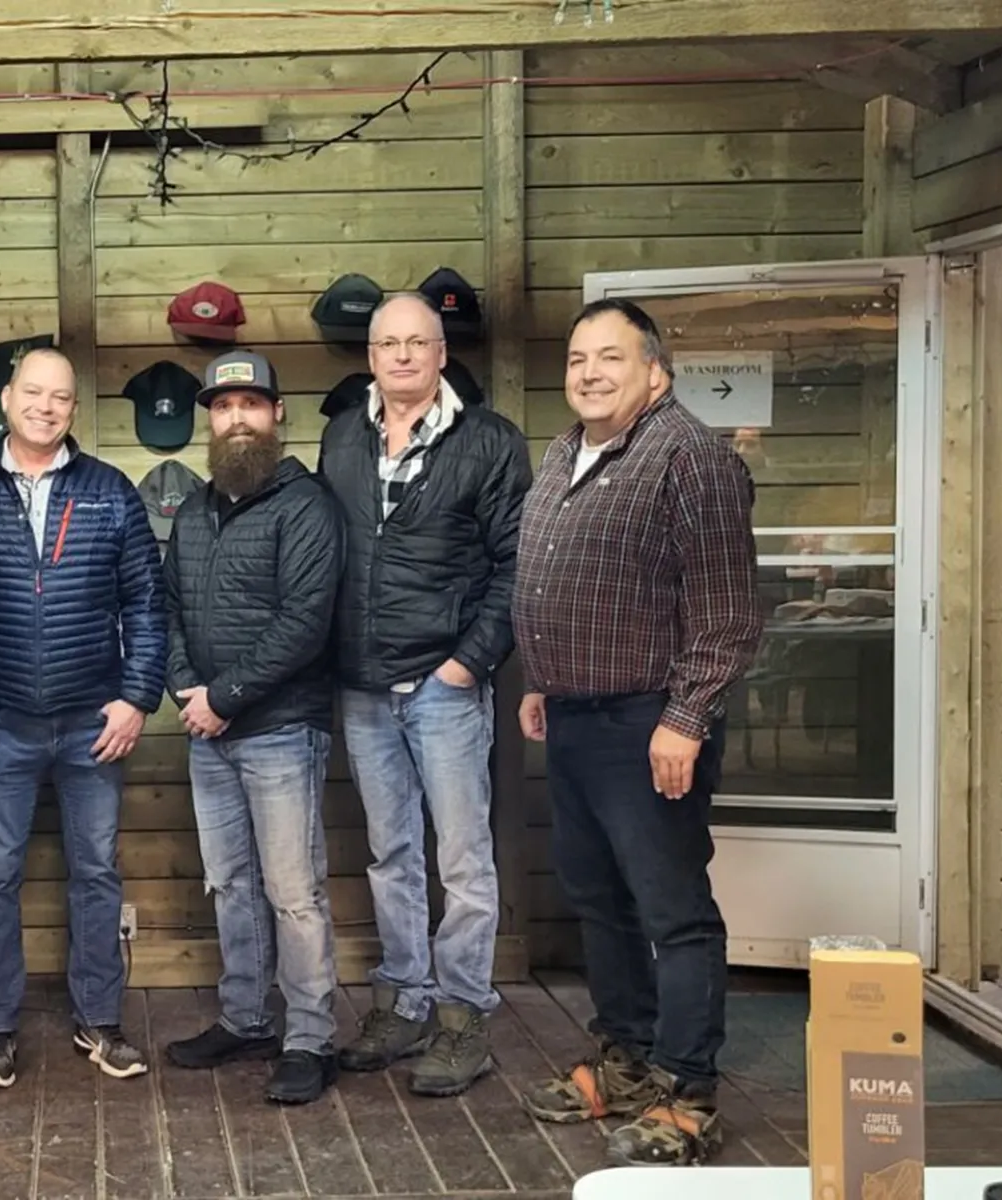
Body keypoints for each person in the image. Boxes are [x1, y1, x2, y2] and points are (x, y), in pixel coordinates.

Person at [514, 298, 760, 1167]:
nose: (588, 372)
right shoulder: (563, 451)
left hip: (650, 722)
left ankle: (689, 1095)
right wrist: (547, 680)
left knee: (674, 913)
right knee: (599, 901)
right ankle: (623, 1061)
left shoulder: (692, 461)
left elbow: (728, 616)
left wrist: (686, 720)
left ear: (656, 370)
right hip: (578, 718)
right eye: (578, 357)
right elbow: (566, 582)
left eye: (610, 357)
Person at [316, 290, 531, 1097]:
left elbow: (514, 567)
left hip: (444, 685)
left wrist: (467, 664)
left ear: (442, 355)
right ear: (370, 358)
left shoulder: (490, 443)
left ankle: (464, 1017)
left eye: (419, 343)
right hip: (365, 687)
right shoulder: (341, 438)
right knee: (392, 854)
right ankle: (404, 1003)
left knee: (465, 860)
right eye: (388, 344)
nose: (403, 356)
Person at [0, 345, 164, 1088]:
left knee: (96, 872)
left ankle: (100, 1021)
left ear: (73, 408)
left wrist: (136, 697)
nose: (46, 406)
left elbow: (147, 605)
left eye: (60, 397)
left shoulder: (111, 491)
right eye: (33, 393)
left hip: (93, 722)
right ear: (6, 398)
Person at [155, 351, 345, 1105]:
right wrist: (181, 684)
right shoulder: (198, 508)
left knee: (293, 891)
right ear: (209, 418)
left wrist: (224, 696)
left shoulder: (307, 507)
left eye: (251, 404)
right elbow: (168, 603)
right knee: (232, 885)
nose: (237, 417)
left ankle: (310, 1037)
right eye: (223, 405)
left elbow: (304, 624)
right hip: (211, 732)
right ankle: (245, 1018)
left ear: (276, 416)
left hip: (278, 732)